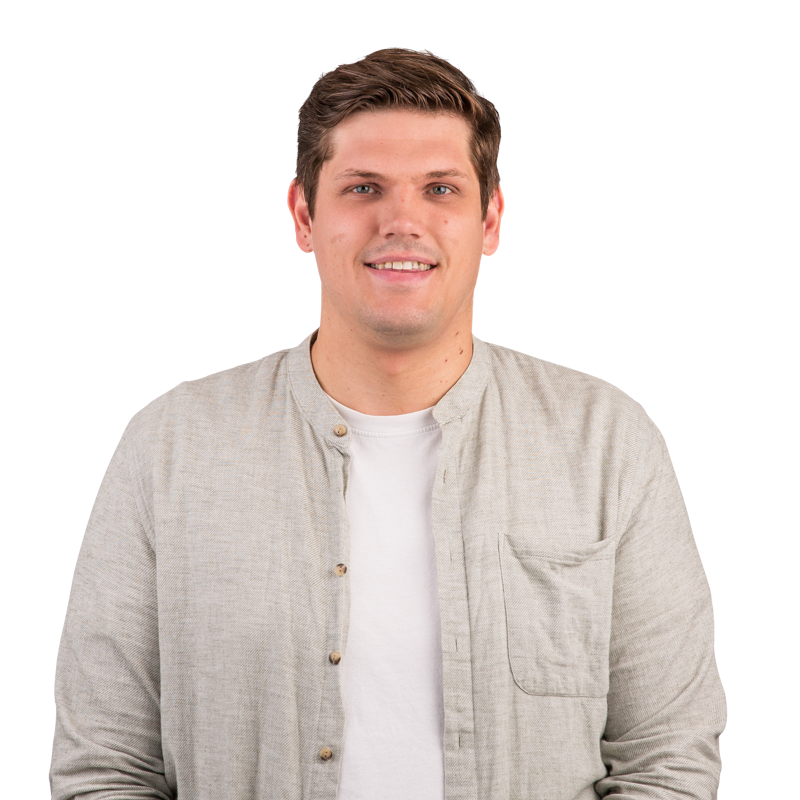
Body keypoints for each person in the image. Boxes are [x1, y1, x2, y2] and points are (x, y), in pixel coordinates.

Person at [50, 48, 726, 799]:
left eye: (440, 189)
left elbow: (669, 762)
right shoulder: (172, 446)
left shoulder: (605, 444)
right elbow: (105, 768)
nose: (402, 221)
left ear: (489, 222)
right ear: (304, 218)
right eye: (363, 188)